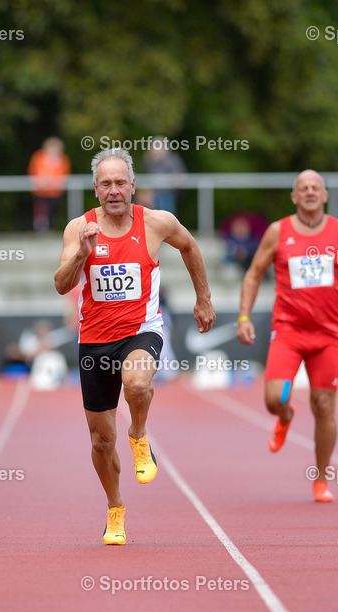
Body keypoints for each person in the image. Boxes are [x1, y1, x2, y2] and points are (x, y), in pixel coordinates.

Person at [54, 147, 215, 545]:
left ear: (133, 185)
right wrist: (82, 254)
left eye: (120, 183)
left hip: (141, 330)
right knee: (101, 441)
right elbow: (61, 284)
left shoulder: (157, 222)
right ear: (95, 189)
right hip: (94, 340)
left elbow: (190, 246)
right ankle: (115, 507)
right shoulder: (79, 228)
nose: (114, 190)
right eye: (106, 184)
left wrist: (203, 298)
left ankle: (139, 434)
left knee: (138, 385)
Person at [237, 169, 338, 502]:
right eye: (304, 188)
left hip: (328, 334)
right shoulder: (277, 231)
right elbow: (253, 274)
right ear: (294, 197)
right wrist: (244, 316)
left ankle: (321, 480)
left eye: (316, 187)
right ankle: (286, 416)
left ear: (325, 195)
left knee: (324, 406)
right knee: (274, 400)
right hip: (288, 331)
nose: (310, 192)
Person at [28, 137, 71, 232]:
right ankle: (40, 229)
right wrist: (42, 181)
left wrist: (56, 182)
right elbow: (33, 171)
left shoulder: (63, 159)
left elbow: (65, 173)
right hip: (41, 191)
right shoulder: (38, 156)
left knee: (54, 211)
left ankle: (52, 228)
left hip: (56, 192)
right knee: (41, 211)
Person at [142, 140, 187, 214]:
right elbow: (146, 176)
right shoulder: (148, 161)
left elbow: (178, 174)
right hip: (153, 195)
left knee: (166, 213)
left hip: (168, 194)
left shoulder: (172, 160)